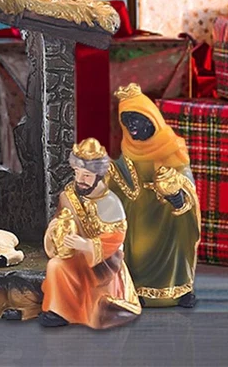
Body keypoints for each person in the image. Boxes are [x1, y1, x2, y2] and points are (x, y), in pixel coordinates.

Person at [107, 83, 200, 307]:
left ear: (152, 119)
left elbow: (186, 179)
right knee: (139, 247)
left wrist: (179, 195)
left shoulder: (171, 147)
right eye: (126, 121)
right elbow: (121, 178)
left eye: (136, 119)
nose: (132, 126)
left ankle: (180, 288)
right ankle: (139, 288)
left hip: (170, 213)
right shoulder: (129, 149)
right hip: (140, 212)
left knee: (179, 236)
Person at [39, 137, 141, 330]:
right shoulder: (69, 195)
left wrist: (86, 245)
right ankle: (59, 311)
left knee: (99, 303)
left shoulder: (111, 203)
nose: (80, 180)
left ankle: (88, 311)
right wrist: (54, 230)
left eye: (86, 175)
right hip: (76, 256)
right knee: (55, 266)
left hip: (104, 265)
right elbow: (62, 220)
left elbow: (116, 239)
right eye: (77, 173)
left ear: (99, 175)